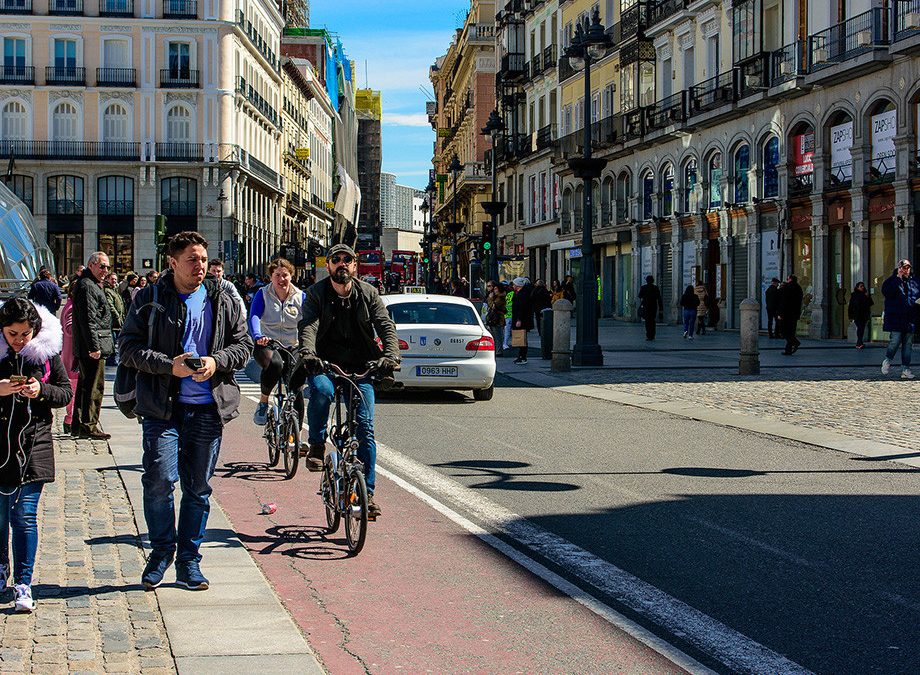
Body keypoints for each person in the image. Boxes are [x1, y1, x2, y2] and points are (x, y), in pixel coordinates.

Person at [119, 231, 251, 591]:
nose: (200, 266)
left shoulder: (222, 297)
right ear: (173, 263)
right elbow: (127, 348)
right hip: (163, 408)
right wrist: (168, 366)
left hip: (208, 407)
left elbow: (243, 345)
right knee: (159, 481)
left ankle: (189, 561)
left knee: (198, 488)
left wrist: (216, 360)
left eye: (204, 260)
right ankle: (161, 552)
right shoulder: (149, 298)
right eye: (192, 260)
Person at [297, 244, 400, 519]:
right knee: (321, 391)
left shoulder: (368, 293)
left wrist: (389, 355)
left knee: (365, 429)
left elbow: (385, 325)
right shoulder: (317, 293)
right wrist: (308, 353)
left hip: (361, 367)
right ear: (328, 265)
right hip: (325, 363)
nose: (342, 264)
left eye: (348, 260)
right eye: (336, 260)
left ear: (355, 266)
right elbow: (308, 325)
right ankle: (317, 443)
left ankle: (368, 492)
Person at [0, 298, 73, 613]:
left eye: (24, 334)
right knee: (1, 516)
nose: (18, 340)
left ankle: (23, 583)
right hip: (2, 449)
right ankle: (2, 567)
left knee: (25, 515)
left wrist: (40, 390)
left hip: (36, 445)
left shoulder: (45, 354)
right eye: (12, 333)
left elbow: (65, 393)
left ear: (35, 330)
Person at [248, 258, 307, 426]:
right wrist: (258, 335)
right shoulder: (263, 294)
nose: (281, 279)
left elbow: (308, 322)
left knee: (296, 387)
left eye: (285, 275)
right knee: (275, 364)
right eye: (277, 275)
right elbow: (254, 316)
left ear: (292, 276)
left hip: (293, 344)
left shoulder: (301, 296)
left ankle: (295, 437)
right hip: (267, 343)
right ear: (271, 277)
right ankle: (263, 401)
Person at [71, 252, 114, 440]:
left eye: (107, 267)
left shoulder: (91, 284)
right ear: (91, 265)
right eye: (102, 266)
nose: (105, 270)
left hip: (92, 343)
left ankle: (80, 424)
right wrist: (94, 347)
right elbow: (88, 319)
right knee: (94, 387)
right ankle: (89, 425)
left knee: (85, 385)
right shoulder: (88, 286)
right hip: (93, 345)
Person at [880, 260, 920, 379]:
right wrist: (898, 278)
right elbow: (887, 292)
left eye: (908, 267)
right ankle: (887, 360)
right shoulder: (891, 281)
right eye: (904, 267)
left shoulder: (915, 281)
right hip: (896, 318)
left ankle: (905, 369)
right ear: (899, 268)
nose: (906, 270)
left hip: (910, 318)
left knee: (908, 345)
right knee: (895, 341)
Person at [59, 284, 81, 435]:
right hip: (72, 357)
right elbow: (69, 328)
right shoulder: (73, 308)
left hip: (70, 355)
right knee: (73, 389)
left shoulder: (69, 305)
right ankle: (70, 419)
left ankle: (70, 418)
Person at [778, 274, 804, 355]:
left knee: (784, 331)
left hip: (786, 314)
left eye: (788, 278)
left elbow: (783, 302)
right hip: (795, 314)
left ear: (790, 279)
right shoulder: (798, 288)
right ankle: (788, 350)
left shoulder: (787, 288)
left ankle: (795, 342)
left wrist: (780, 314)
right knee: (791, 331)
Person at [510, 277, 533, 364]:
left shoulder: (522, 295)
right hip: (520, 319)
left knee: (521, 338)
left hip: (521, 320)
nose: (513, 286)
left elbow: (522, 308)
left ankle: (522, 357)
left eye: (514, 284)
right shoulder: (521, 293)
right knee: (521, 338)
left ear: (518, 285)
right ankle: (521, 356)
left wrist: (519, 319)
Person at [848, 281, 873, 349]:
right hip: (857, 314)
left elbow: (870, 303)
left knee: (862, 328)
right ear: (857, 287)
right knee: (860, 328)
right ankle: (859, 343)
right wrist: (850, 316)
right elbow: (851, 306)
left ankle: (859, 343)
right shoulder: (854, 295)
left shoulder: (865, 294)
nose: (862, 287)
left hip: (864, 314)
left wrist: (868, 296)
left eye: (863, 286)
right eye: (861, 286)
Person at [485, 281, 507, 356]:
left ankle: (499, 351)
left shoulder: (500, 297)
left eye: (496, 289)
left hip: (497, 319)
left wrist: (490, 299)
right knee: (494, 335)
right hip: (494, 318)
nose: (494, 290)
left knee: (498, 336)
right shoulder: (496, 297)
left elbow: (493, 306)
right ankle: (497, 350)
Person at [638, 275, 663, 341]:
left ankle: (648, 335)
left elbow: (640, 296)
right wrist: (661, 308)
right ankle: (652, 334)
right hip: (653, 306)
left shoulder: (643, 288)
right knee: (652, 321)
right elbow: (659, 298)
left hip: (646, 306)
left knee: (647, 321)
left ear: (646, 280)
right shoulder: (655, 288)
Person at [503, 281, 515, 352]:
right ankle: (505, 344)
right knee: (507, 330)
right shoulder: (512, 294)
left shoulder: (505, 294)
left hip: (505, 314)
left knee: (505, 330)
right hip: (509, 314)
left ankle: (504, 343)